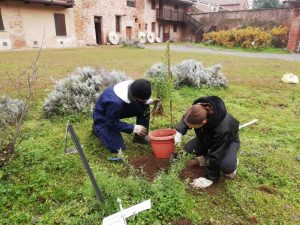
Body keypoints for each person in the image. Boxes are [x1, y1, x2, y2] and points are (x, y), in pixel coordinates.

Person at [174, 96, 240, 189]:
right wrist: (179, 132)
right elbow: (187, 118)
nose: (189, 127)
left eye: (192, 126)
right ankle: (206, 157)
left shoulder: (223, 128)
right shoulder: (197, 108)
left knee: (226, 167)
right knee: (187, 150)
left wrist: (209, 178)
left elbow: (216, 153)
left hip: (227, 143)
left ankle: (232, 161)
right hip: (206, 138)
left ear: (204, 122)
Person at [93, 79, 158, 153]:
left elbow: (139, 100)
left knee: (144, 107)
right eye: (144, 100)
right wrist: (134, 128)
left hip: (116, 110)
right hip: (104, 117)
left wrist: (149, 101)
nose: (146, 101)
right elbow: (111, 122)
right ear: (134, 97)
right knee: (118, 148)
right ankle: (97, 129)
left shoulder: (135, 87)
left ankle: (140, 138)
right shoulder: (115, 103)